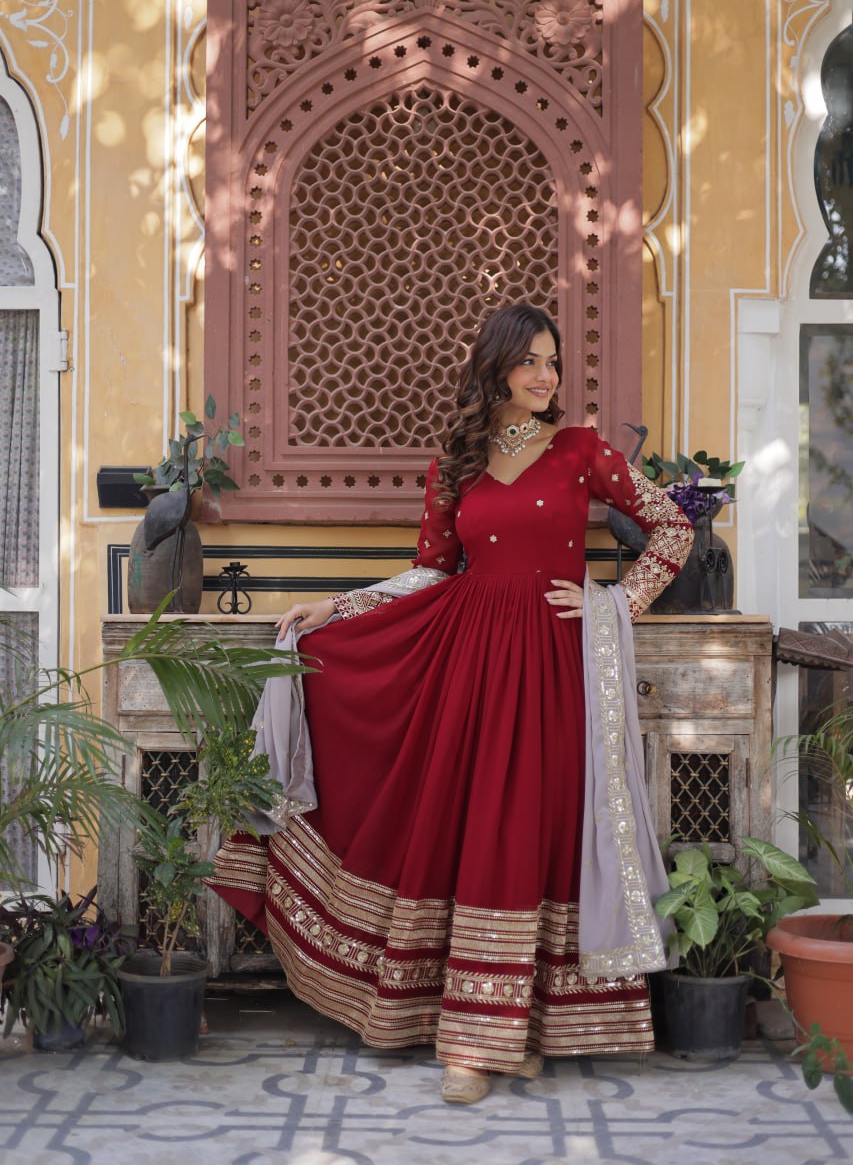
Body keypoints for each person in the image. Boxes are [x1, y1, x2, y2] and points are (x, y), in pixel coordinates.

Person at [208, 303, 693, 1105]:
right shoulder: (456, 462)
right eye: (530, 362)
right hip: (467, 665)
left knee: (531, 830)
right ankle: (472, 1038)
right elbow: (431, 570)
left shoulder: (581, 452)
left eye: (552, 362)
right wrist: (339, 610)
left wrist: (615, 602)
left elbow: (671, 528)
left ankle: (511, 1034)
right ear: (496, 367)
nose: (546, 377)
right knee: (470, 830)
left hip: (549, 665)